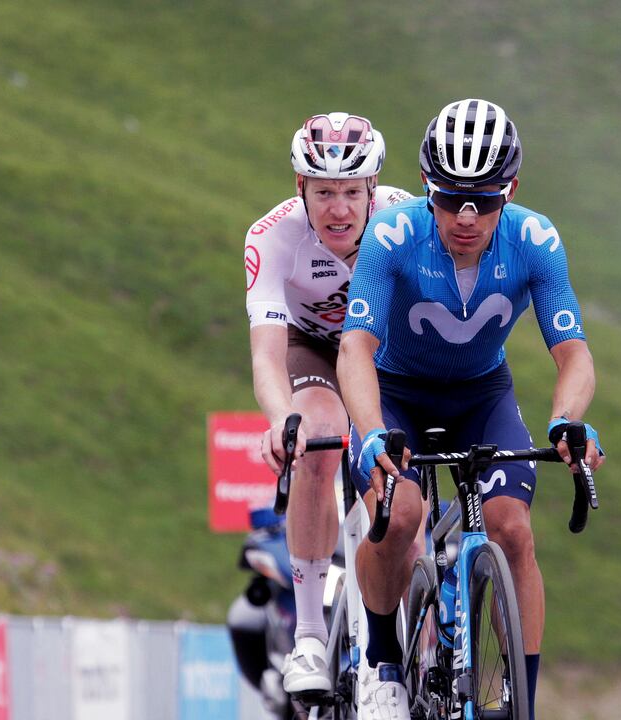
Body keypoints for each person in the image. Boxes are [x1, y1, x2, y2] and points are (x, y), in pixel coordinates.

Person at [338, 98, 602, 720]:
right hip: (395, 392)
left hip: (482, 396)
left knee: (511, 529)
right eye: (449, 196)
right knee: (400, 516)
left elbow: (575, 355)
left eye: (482, 201)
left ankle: (523, 704)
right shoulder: (392, 234)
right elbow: (355, 347)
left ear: (511, 190)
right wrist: (373, 432)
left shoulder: (535, 239)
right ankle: (381, 662)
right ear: (426, 187)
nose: (464, 216)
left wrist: (566, 419)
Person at [244, 112, 412, 699]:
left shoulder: (404, 219)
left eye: (349, 191)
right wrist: (278, 419)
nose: (338, 209)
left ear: (373, 189)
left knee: (400, 482)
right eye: (323, 192)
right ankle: (310, 637)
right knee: (317, 436)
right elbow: (267, 356)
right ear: (300, 189)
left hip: (385, 353)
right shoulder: (271, 238)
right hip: (309, 347)